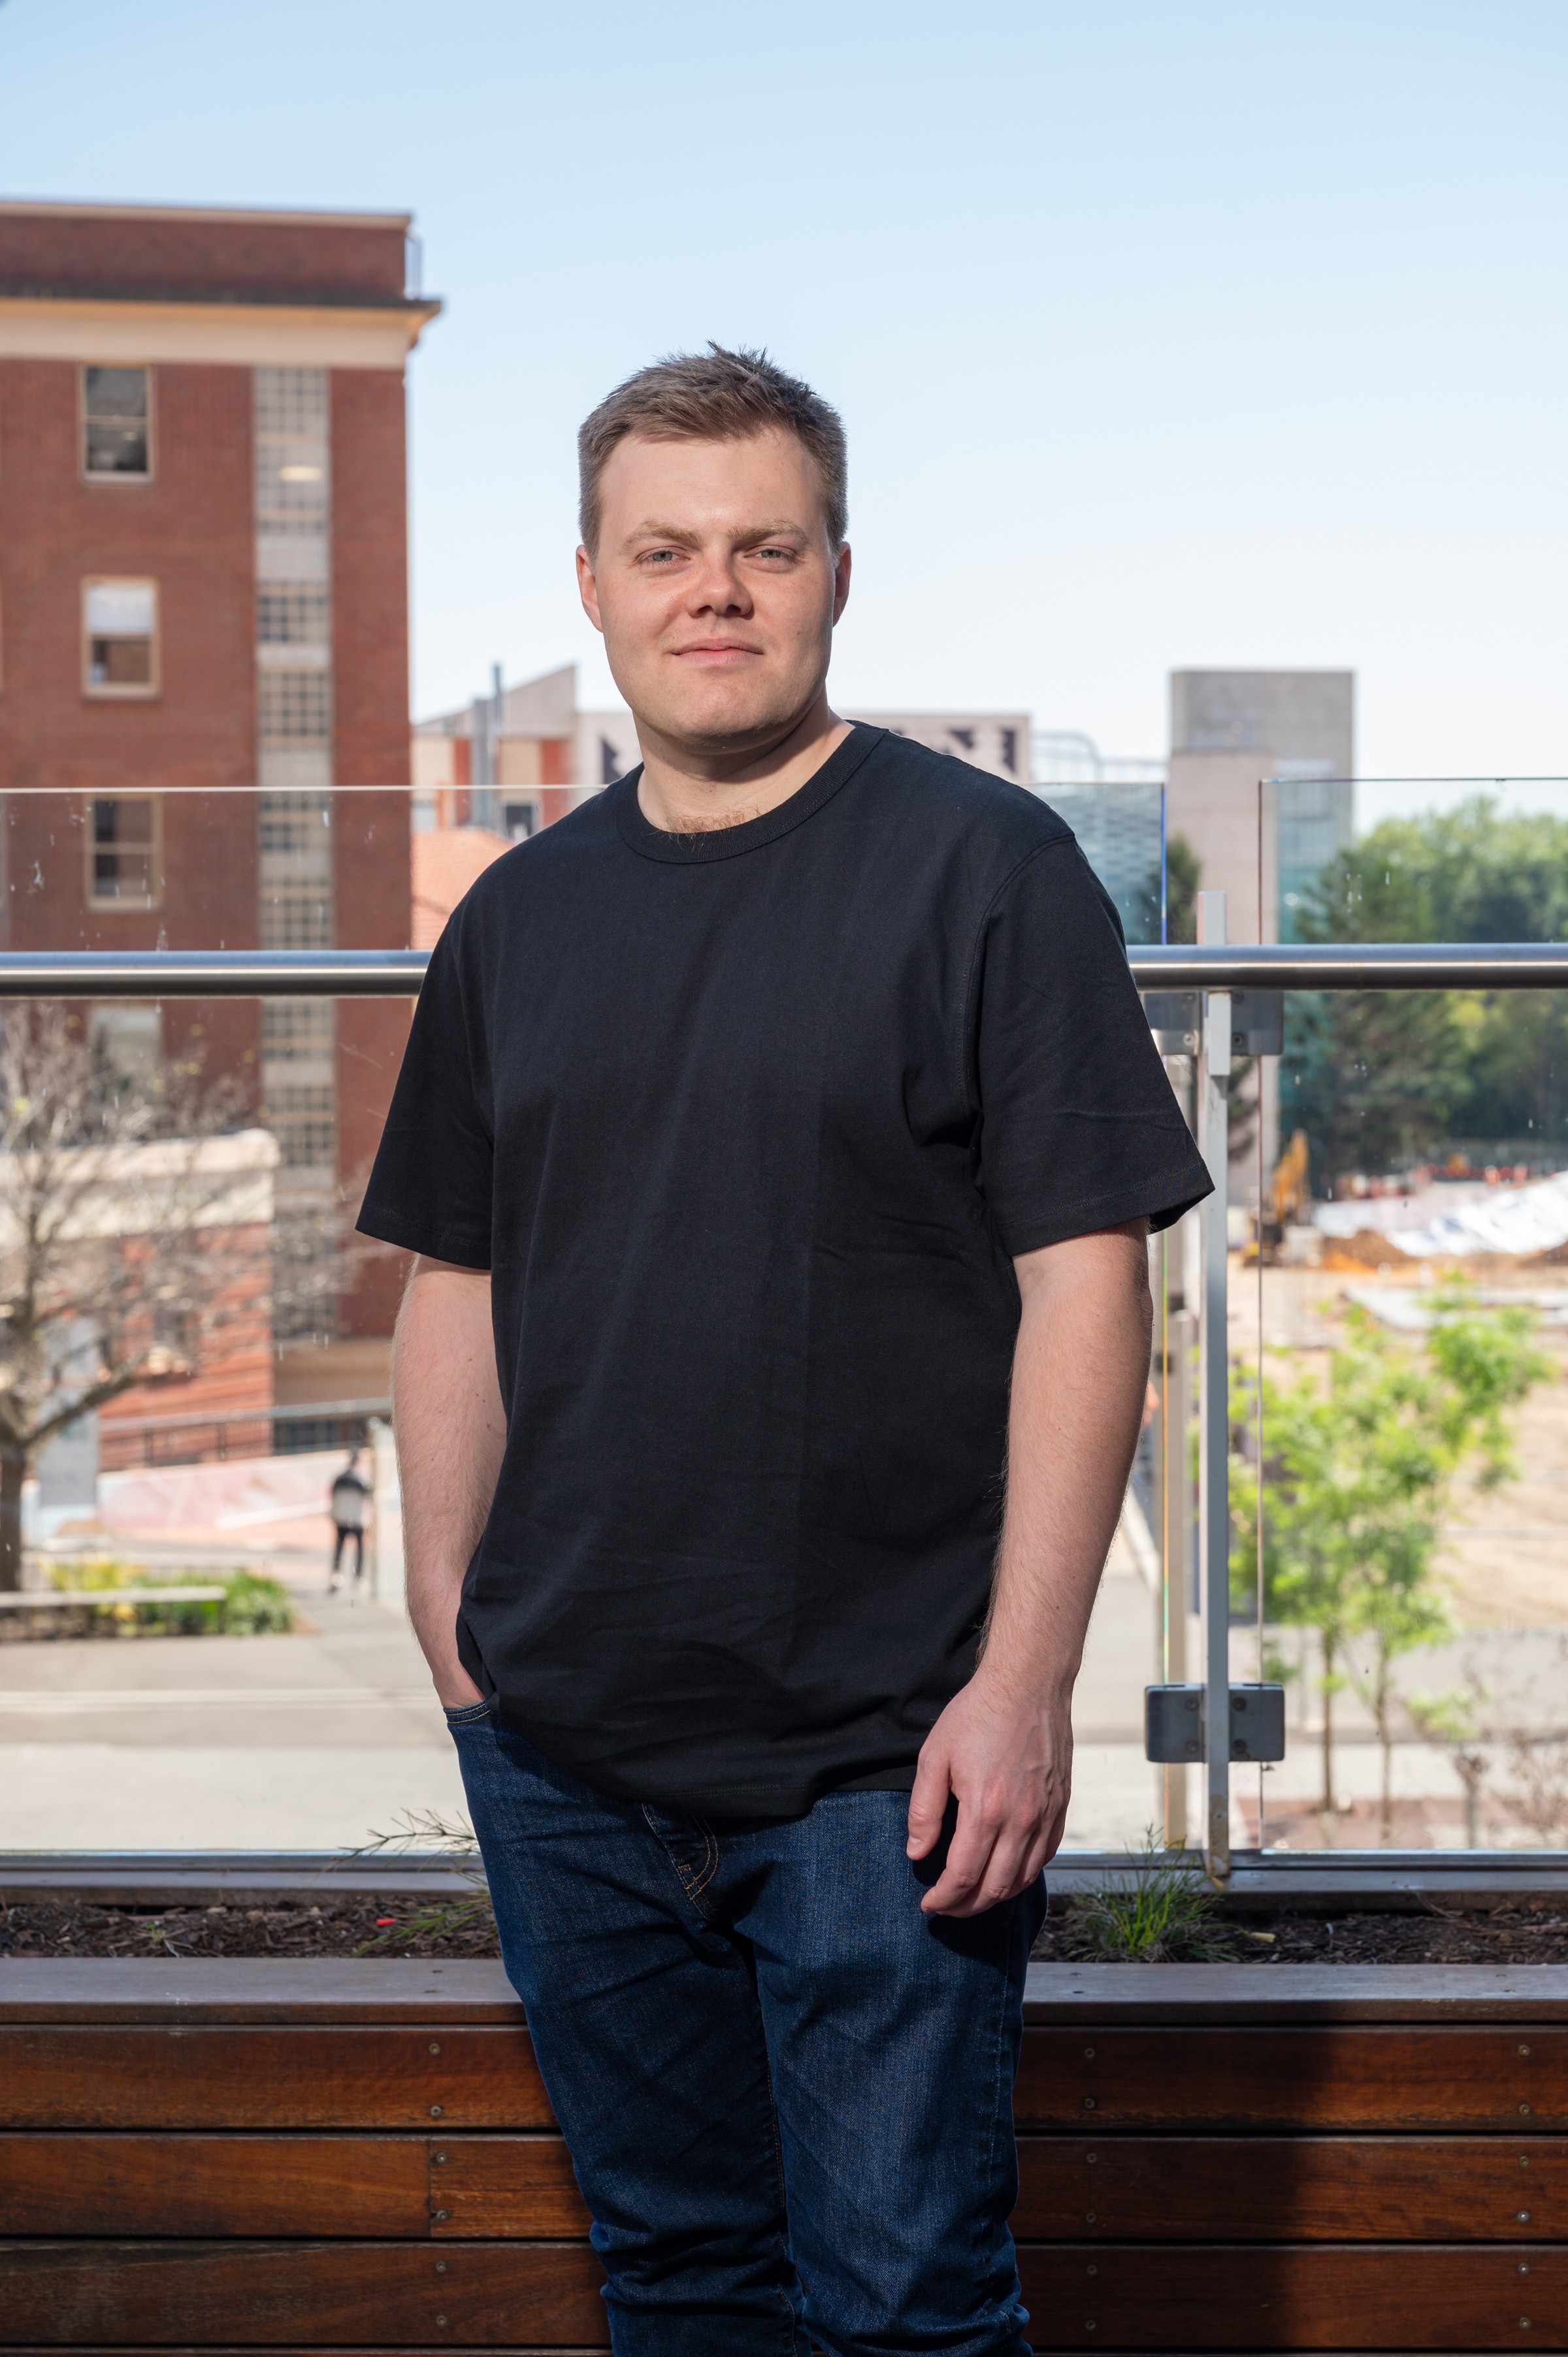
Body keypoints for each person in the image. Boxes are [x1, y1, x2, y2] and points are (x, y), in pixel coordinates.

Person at [358, 346, 1211, 2357]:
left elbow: (1088, 1282)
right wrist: (443, 1611)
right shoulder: (515, 917)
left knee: (907, 2306)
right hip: (564, 1741)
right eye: (665, 550)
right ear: (591, 583)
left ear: (838, 570)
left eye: (766, 545)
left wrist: (1023, 1682)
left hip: (884, 1746)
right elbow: (453, 1276)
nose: (715, 590)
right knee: (677, 2280)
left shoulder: (985, 868)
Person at [328, 1447, 370, 1592]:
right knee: (360, 1549)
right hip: (357, 1519)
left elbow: (333, 1497)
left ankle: (337, 1574)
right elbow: (368, 1497)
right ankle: (358, 1577)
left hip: (342, 1518)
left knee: (340, 1547)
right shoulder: (362, 1480)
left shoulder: (339, 1479)